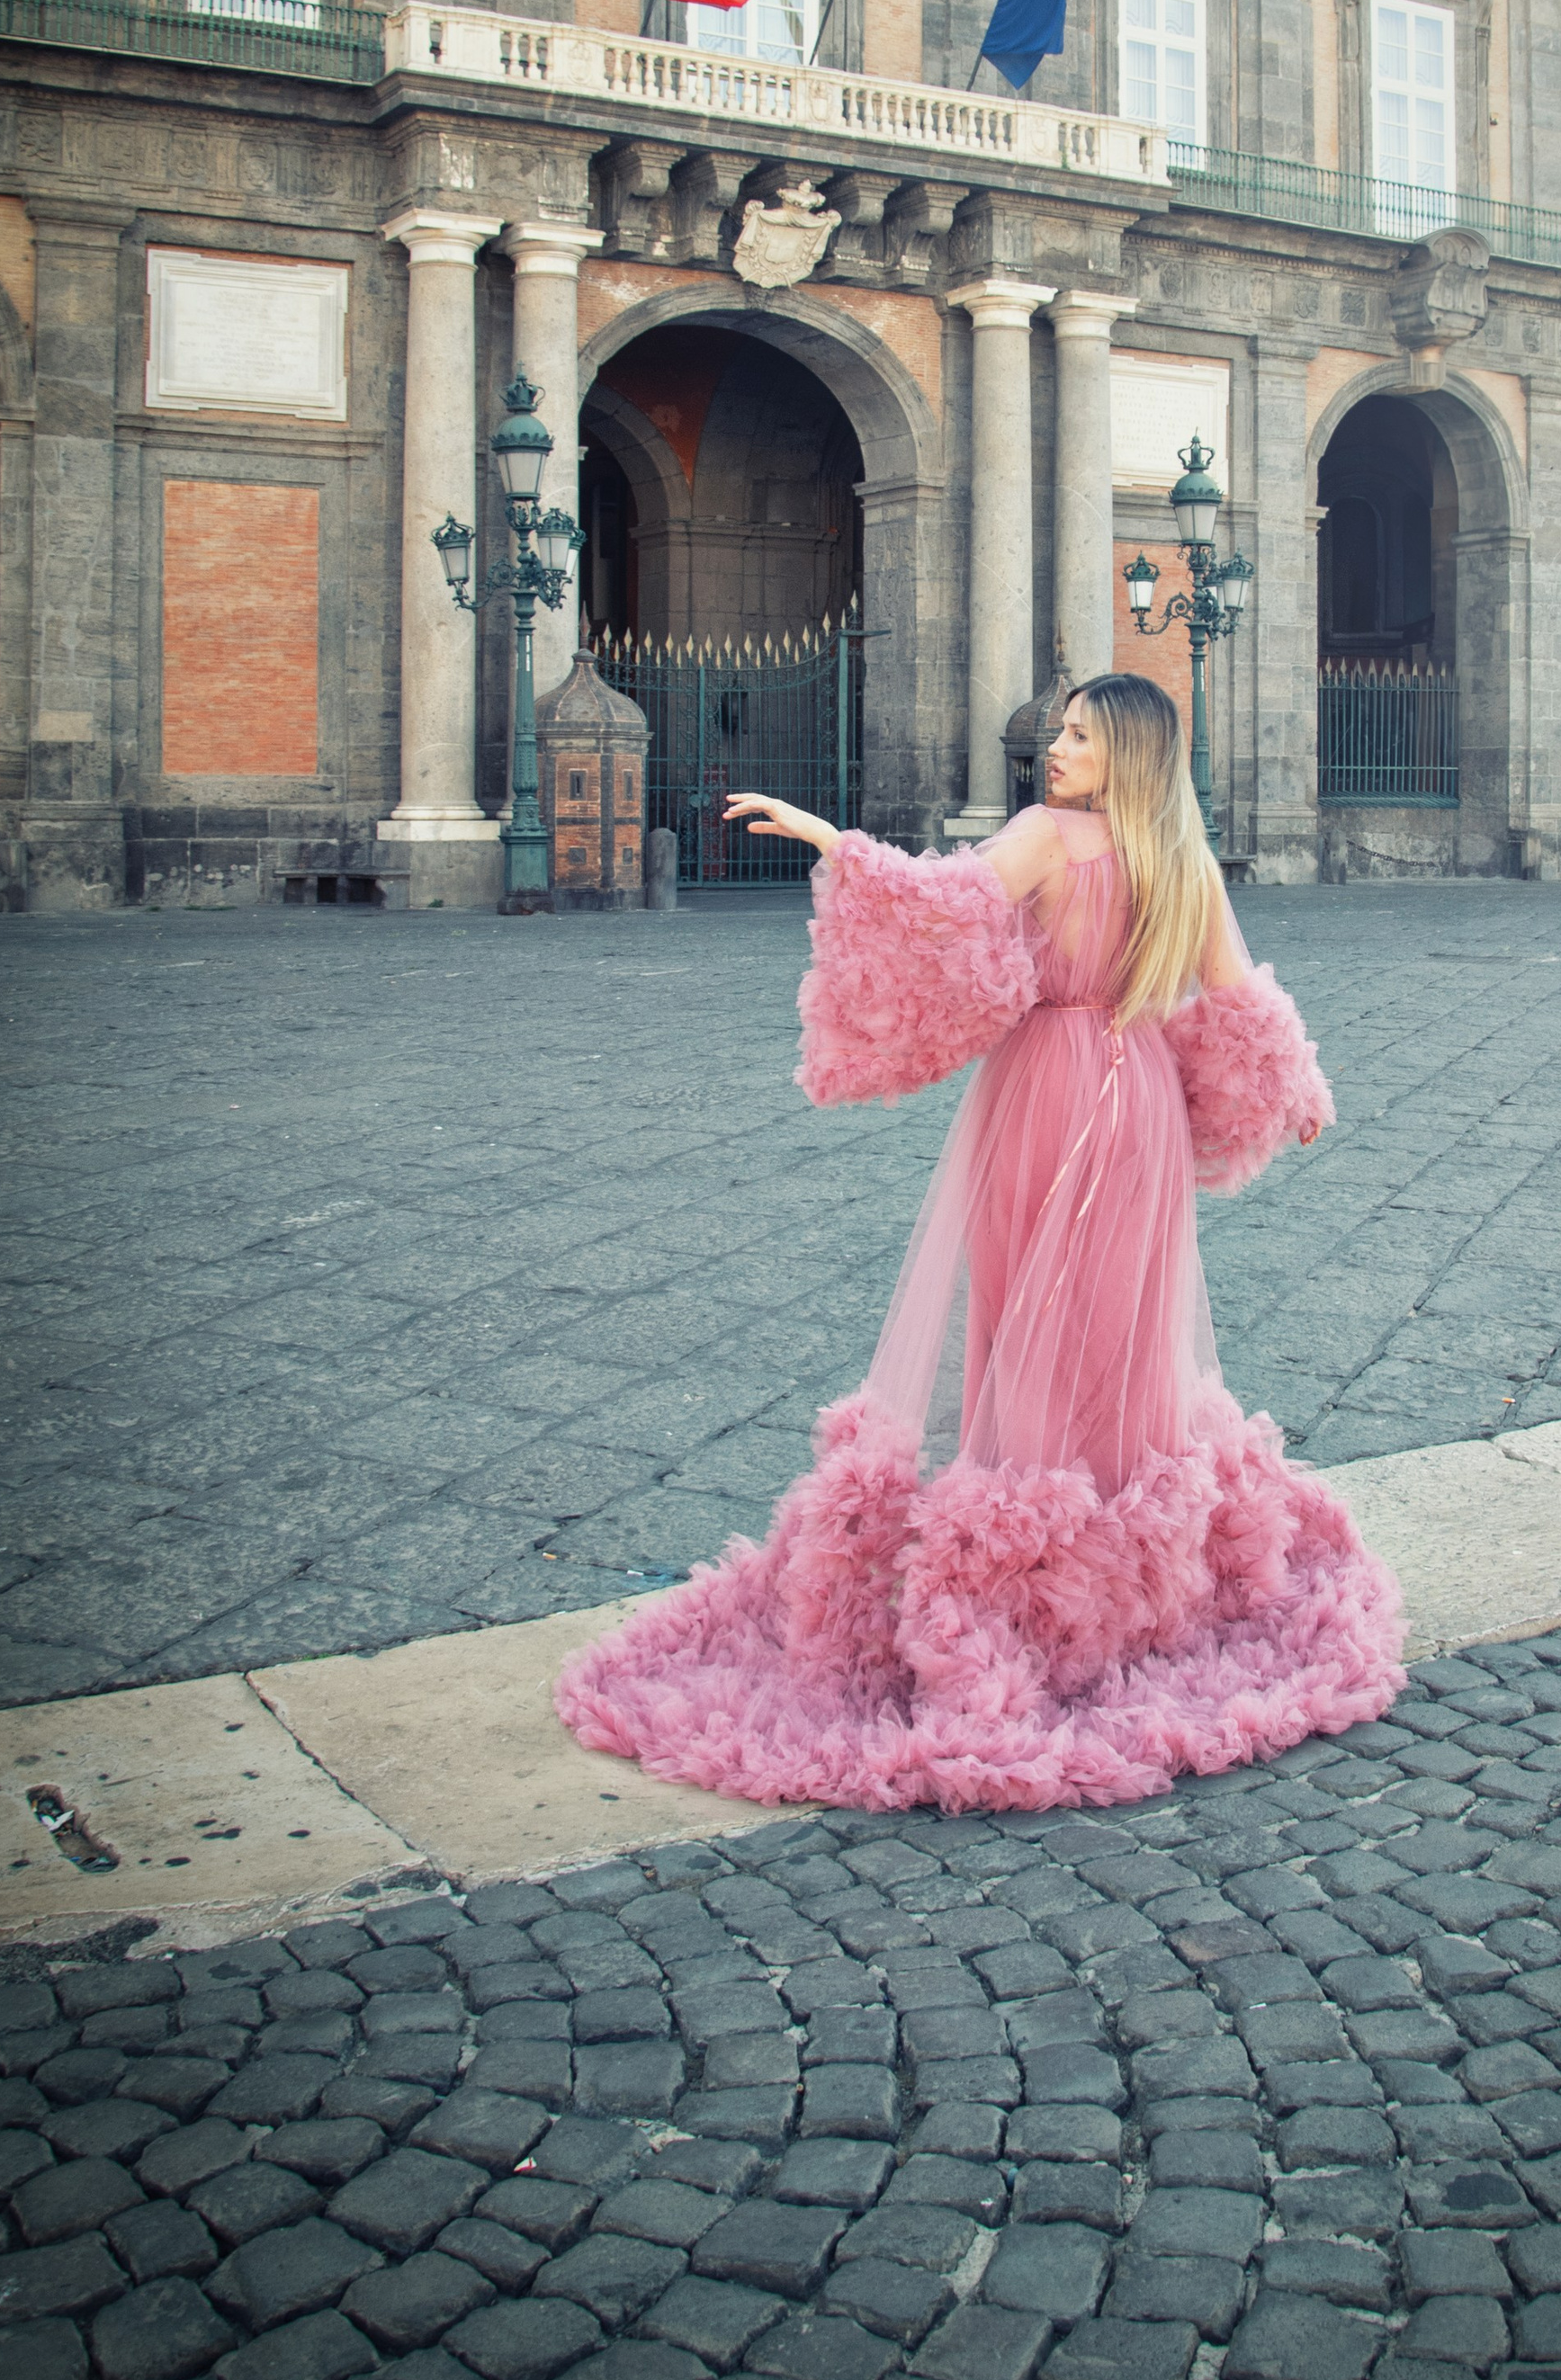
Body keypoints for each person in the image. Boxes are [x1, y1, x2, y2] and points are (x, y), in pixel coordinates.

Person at [554, 672, 1404, 1813]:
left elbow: (941, 903)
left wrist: (833, 844)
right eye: (1057, 730)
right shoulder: (1182, 861)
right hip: (1136, 1099)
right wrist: (1301, 1084)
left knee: (1028, 1320)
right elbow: (1239, 993)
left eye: (1079, 735)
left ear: (1130, 756)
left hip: (1049, 1094)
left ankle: (1033, 1567)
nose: (1053, 749)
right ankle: (1116, 1573)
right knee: (1118, 1327)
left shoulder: (1050, 838)